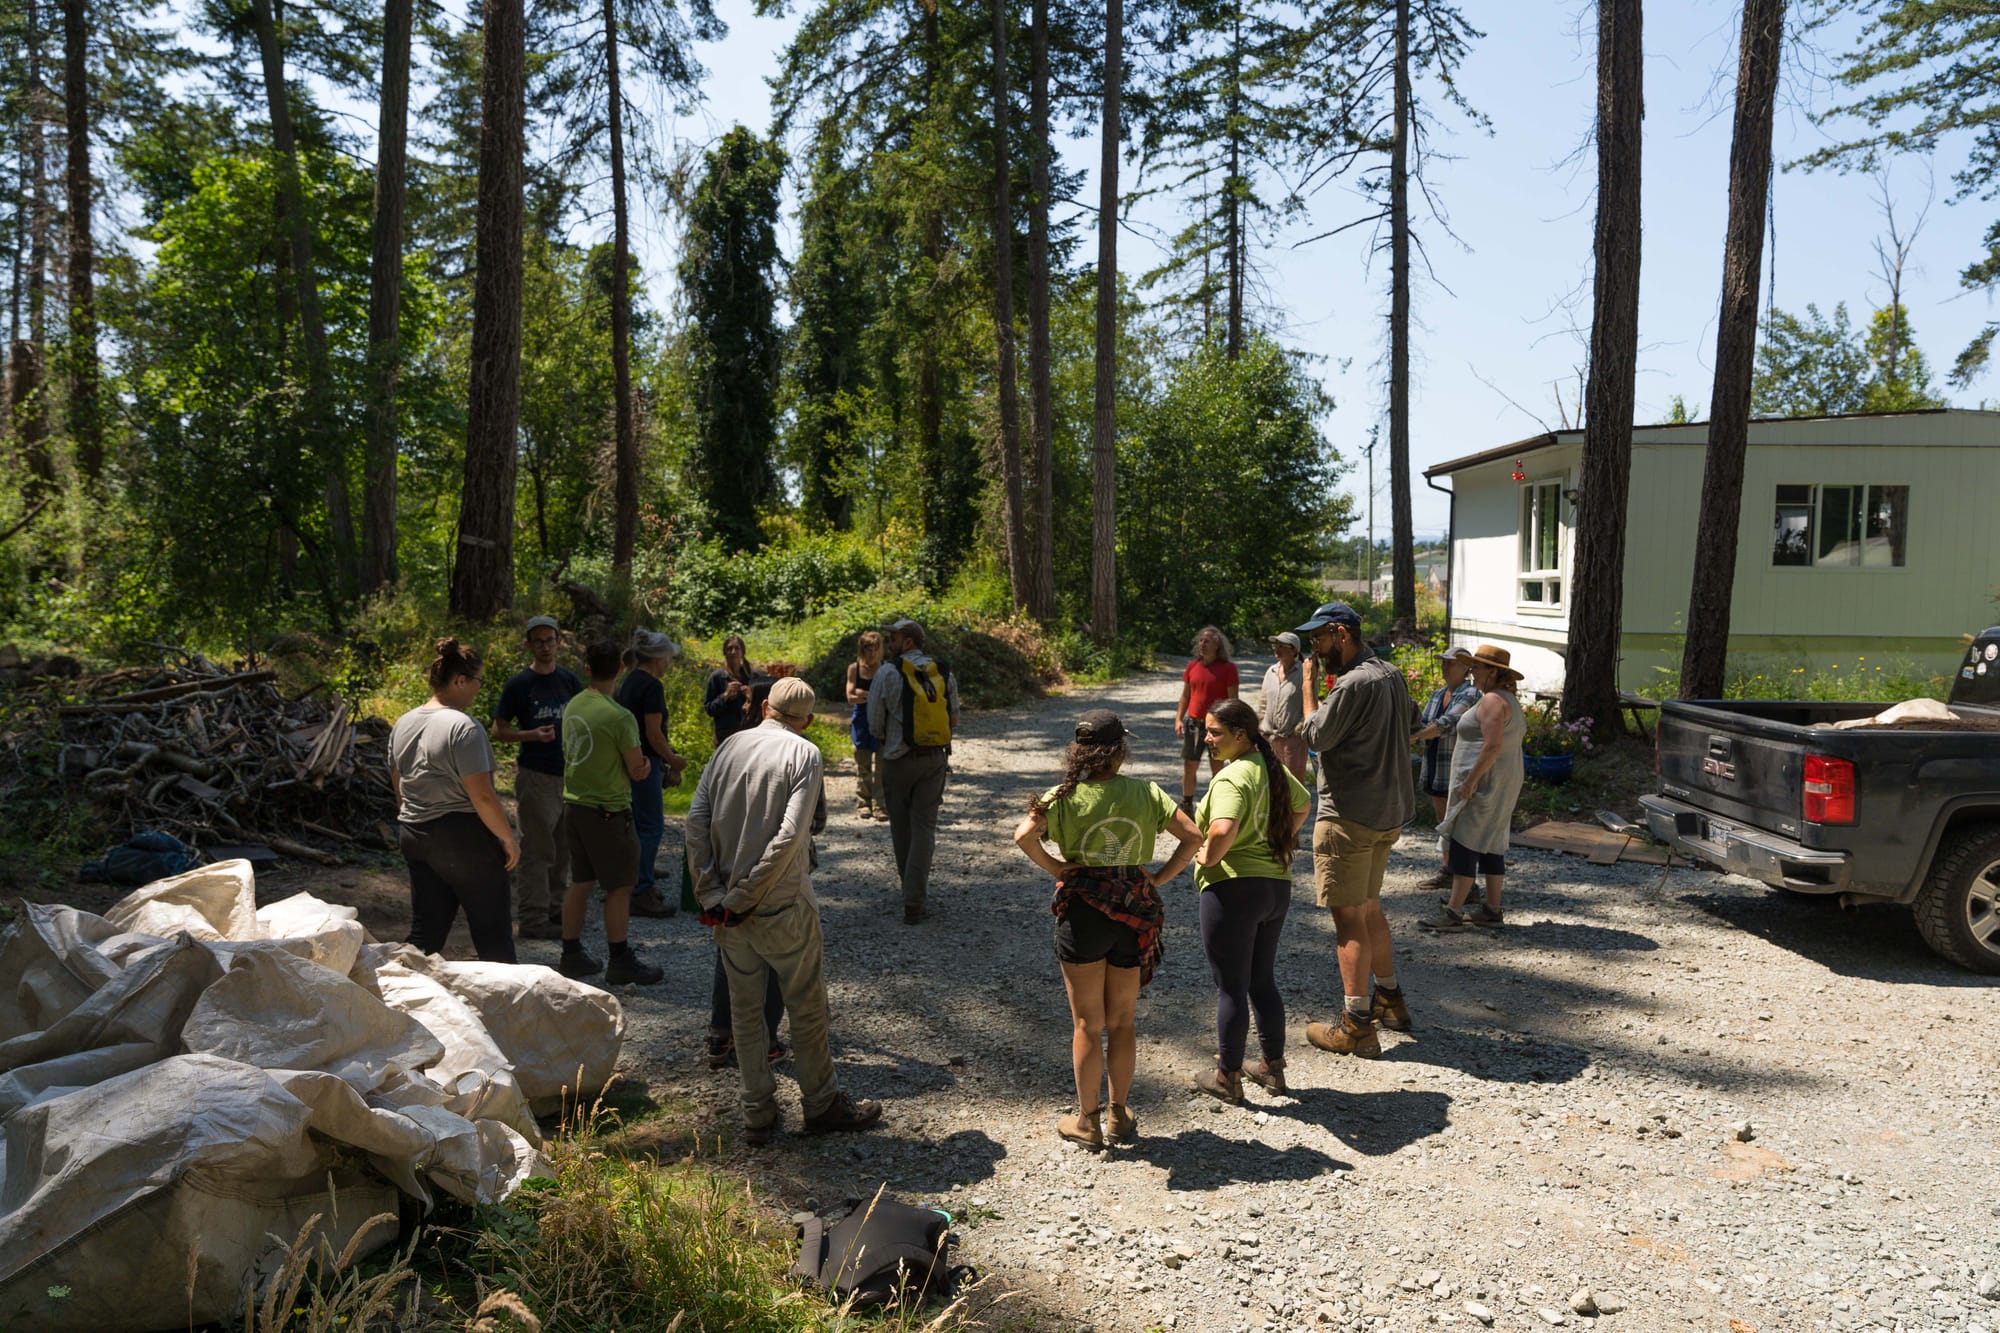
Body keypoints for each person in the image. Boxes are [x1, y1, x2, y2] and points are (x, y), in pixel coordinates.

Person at [686, 676, 883, 1145]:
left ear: (764, 708)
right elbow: (794, 834)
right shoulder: (804, 754)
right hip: (781, 904)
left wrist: (712, 892)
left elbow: (695, 821)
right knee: (807, 1009)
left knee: (746, 1012)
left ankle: (757, 1110)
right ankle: (820, 1104)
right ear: (808, 720)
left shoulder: (730, 745)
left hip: (729, 909)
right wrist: (745, 895)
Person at [1012, 709, 1199, 1149]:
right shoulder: (1146, 791)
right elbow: (1192, 835)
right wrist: (1158, 877)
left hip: (1083, 912)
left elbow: (1023, 836)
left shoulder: (1062, 795)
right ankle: (1119, 1114)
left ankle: (1087, 1121)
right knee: (1123, 1022)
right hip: (1133, 908)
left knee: (1085, 1024)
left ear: (1078, 751)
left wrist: (1059, 867)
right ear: (1120, 751)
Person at [1294, 602, 1419, 1059]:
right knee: (1369, 909)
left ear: (1340, 633)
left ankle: (1355, 1026)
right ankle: (1390, 1000)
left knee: (1348, 920)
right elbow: (1414, 723)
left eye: (1319, 639)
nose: (1315, 648)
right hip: (1385, 813)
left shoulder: (1351, 683)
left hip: (1347, 816)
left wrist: (1307, 688)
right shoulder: (1390, 673)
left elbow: (1314, 736)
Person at [1190, 699, 1310, 1104]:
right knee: (1262, 981)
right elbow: (1303, 804)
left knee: (1231, 988)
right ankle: (1272, 1070)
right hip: (1275, 887)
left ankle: (1228, 1078)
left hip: (1234, 890)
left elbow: (1222, 828)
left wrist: (1207, 855)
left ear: (1241, 735)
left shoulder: (1231, 778)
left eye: (1215, 732)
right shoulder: (1269, 767)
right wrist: (1280, 841)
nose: (1207, 739)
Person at [389, 637, 519, 964]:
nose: (478, 689)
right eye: (477, 681)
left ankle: (392, 998)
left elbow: (398, 784)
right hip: (463, 838)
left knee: (425, 935)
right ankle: (507, 1010)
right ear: (459, 680)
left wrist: (416, 818)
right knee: (494, 938)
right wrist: (507, 838)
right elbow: (482, 795)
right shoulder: (464, 727)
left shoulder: (403, 723)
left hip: (414, 833)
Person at [557, 639, 663, 986]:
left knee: (581, 881)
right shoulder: (620, 717)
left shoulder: (573, 705)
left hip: (574, 805)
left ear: (586, 669)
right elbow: (636, 768)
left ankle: (570, 953)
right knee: (619, 887)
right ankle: (619, 960)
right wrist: (646, 765)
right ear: (620, 668)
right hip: (608, 811)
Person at [1422, 645, 1527, 931]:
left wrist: (1469, 781)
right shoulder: (1506, 699)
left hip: (1484, 783)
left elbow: (1492, 747)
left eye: (1478, 667)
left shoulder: (1493, 701)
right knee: (1491, 843)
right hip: (1500, 781)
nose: (1472, 671)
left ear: (1493, 672)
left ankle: (1453, 912)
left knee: (1465, 841)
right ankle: (1492, 909)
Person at [491, 616, 582, 939]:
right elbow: (499, 730)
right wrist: (530, 734)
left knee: (563, 850)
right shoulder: (519, 684)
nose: (545, 647)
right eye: (538, 641)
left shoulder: (569, 681)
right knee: (537, 851)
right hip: (536, 776)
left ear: (559, 641)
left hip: (568, 776)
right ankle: (532, 919)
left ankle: (556, 911)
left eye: (550, 640)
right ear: (528, 645)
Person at [868, 618, 960, 925]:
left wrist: (887, 740)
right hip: (934, 759)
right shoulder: (943, 671)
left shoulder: (887, 672)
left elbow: (874, 723)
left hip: (897, 759)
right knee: (924, 828)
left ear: (907, 642)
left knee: (901, 826)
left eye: (894, 637)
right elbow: (954, 716)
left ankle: (908, 890)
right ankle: (914, 900)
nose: (890, 641)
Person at [615, 628, 691, 918]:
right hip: (646, 763)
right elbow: (653, 732)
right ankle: (641, 889)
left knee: (633, 826)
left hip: (628, 761)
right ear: (658, 658)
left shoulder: (628, 680)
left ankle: (635, 877)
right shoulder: (651, 686)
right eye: (668, 658)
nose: (669, 664)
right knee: (650, 826)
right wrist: (673, 759)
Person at [1411, 647, 1482, 892]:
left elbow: (1445, 723)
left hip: (1457, 768)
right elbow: (1425, 722)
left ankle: (1466, 880)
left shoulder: (1471, 694)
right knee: (1443, 823)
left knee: (1460, 826)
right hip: (1435, 766)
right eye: (1443, 663)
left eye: (1450, 663)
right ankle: (1448, 870)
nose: (1444, 667)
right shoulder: (1438, 694)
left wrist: (1414, 737)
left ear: (1466, 668)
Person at [1174, 626, 1240, 814]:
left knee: (1217, 765)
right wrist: (1179, 718)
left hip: (1218, 726)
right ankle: (1187, 804)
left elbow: (1233, 700)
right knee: (1190, 765)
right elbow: (1185, 696)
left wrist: (1231, 726)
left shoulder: (1228, 669)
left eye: (1207, 641)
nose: (1202, 644)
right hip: (1194, 724)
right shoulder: (1192, 666)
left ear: (1217, 645)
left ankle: (1217, 804)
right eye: (1201, 640)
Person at [1259, 632, 1315, 783]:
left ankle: (1294, 808)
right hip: (1269, 737)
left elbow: (1311, 702)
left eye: (1281, 645)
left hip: (1292, 739)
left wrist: (1300, 727)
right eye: (1275, 645)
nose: (1276, 648)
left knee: (1293, 784)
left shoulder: (1304, 673)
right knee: (1271, 781)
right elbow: (1263, 703)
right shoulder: (1271, 672)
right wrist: (1260, 725)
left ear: (1294, 650)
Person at [845, 631, 887, 820]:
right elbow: (850, 697)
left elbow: (887, 697)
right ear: (862, 649)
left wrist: (864, 694)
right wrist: (871, 696)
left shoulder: (885, 668)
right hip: (861, 721)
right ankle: (863, 803)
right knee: (862, 764)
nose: (871, 653)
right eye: (868, 649)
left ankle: (880, 805)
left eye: (875, 649)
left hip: (882, 720)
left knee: (881, 765)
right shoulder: (854, 668)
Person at [703, 633, 759, 747]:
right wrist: (725, 695)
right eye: (729, 649)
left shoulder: (753, 677)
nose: (733, 652)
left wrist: (751, 695)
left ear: (743, 652)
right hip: (725, 736)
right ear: (724, 652)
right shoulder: (717, 678)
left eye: (737, 648)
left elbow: (763, 705)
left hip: (750, 733)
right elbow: (710, 710)